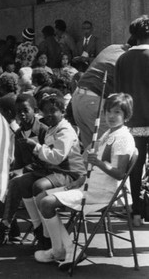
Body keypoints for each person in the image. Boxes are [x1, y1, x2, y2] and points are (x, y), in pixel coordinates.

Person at [35, 93, 136, 270]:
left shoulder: (123, 138)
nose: (111, 116)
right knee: (41, 197)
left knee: (46, 203)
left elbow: (119, 173)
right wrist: (82, 178)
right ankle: (63, 248)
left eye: (117, 112)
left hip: (104, 192)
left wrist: (98, 162)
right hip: (90, 185)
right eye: (108, 112)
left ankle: (63, 249)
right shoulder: (109, 133)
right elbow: (94, 169)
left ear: (126, 115)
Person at [12, 92, 86, 249]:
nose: (49, 114)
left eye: (53, 110)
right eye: (46, 111)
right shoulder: (52, 128)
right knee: (23, 181)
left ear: (62, 111)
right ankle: (38, 229)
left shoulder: (64, 130)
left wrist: (36, 147)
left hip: (71, 173)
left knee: (39, 186)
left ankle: (49, 237)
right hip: (54, 171)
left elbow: (57, 157)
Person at [0, 94, 48, 246]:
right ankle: (10, 223)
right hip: (27, 173)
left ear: (34, 110)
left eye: (26, 110)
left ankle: (5, 227)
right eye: (19, 111)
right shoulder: (19, 134)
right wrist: (14, 171)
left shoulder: (43, 131)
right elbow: (19, 161)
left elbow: (47, 161)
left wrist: (22, 171)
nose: (22, 114)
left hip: (44, 173)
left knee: (15, 182)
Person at [115, 15, 149, 227]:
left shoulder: (122, 59)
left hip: (132, 123)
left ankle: (136, 211)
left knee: (135, 168)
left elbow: (118, 96)